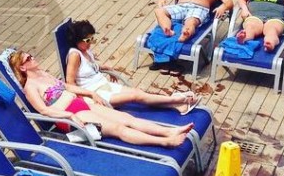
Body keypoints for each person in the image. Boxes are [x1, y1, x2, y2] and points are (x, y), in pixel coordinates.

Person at [8, 50, 193, 148]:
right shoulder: (30, 87)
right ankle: (165, 142)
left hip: (81, 104)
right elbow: (44, 110)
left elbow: (66, 86)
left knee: (129, 119)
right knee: (119, 129)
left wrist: (89, 93)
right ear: (23, 68)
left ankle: (170, 131)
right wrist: (69, 117)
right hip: (70, 116)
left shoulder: (42, 73)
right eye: (28, 59)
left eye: (30, 56)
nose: (33, 59)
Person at [64, 19, 197, 113]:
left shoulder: (85, 51)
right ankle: (176, 100)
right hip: (96, 94)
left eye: (92, 38)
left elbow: (89, 67)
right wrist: (89, 96)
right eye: (88, 40)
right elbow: (69, 83)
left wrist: (106, 68)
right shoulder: (75, 55)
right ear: (77, 40)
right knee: (136, 96)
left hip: (104, 86)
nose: (91, 43)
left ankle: (176, 105)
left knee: (138, 93)